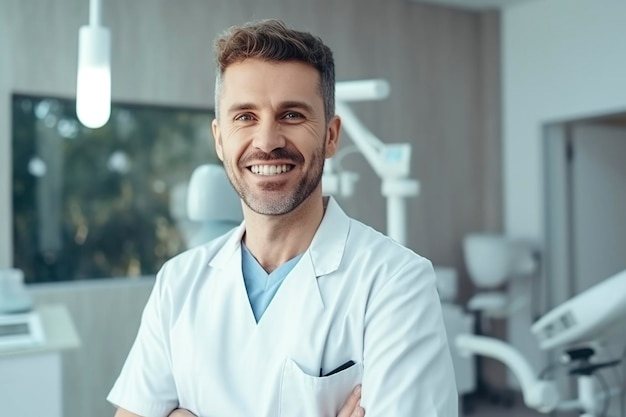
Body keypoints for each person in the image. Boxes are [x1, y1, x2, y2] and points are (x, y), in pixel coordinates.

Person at [108, 19, 458, 417]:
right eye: (245, 117)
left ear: (330, 135)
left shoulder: (396, 283)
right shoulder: (178, 282)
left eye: (291, 115)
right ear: (219, 139)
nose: (267, 141)